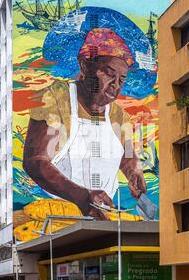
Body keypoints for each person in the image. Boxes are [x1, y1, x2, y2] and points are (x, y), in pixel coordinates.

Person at [23, 28, 147, 219]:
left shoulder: (119, 116)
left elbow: (127, 153)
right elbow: (35, 161)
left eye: (121, 79)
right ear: (83, 65)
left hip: (104, 214)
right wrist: (82, 197)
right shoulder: (55, 98)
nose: (115, 84)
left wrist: (134, 172)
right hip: (58, 216)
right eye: (108, 73)